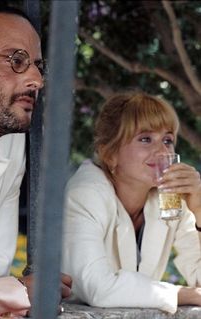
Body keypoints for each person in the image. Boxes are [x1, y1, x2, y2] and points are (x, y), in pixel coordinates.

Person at [0, 4, 71, 318]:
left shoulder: (12, 145)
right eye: (16, 60)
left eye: (39, 66)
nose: (37, 80)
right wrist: (11, 292)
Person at [62, 90, 201, 314]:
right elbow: (97, 287)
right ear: (110, 154)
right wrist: (180, 294)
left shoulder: (170, 197)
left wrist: (199, 209)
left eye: (168, 140)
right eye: (146, 139)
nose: (162, 150)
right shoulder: (85, 194)